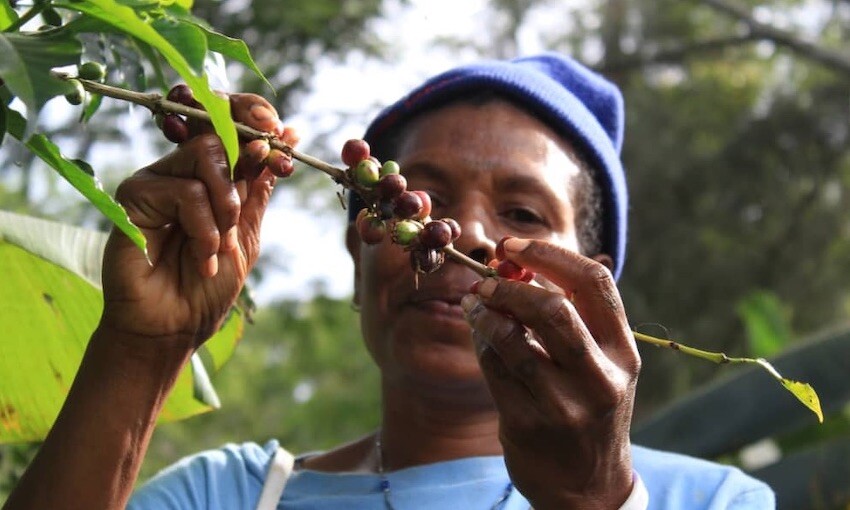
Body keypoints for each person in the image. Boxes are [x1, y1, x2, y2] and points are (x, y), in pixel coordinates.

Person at [3, 54, 775, 510]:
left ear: (590, 290)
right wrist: (142, 350)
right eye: (422, 199)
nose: (468, 234)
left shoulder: (710, 503)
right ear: (360, 247)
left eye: (522, 212)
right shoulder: (231, 498)